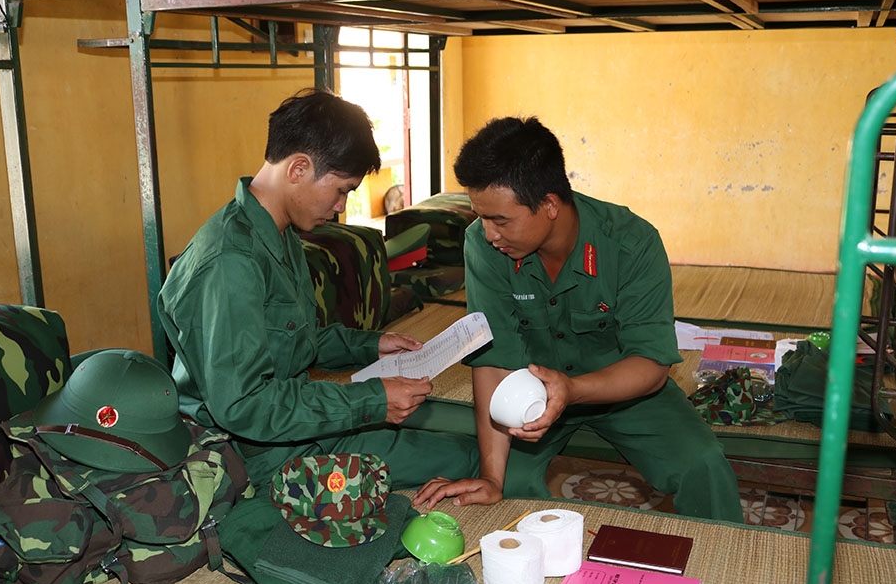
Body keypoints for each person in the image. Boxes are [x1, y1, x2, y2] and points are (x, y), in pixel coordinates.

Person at [413, 116, 744, 522]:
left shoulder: (631, 243)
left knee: (703, 465)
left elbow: (651, 366)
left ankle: (714, 569)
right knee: (508, 494)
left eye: (500, 220)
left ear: (550, 205)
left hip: (624, 390)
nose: (489, 233)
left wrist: (572, 389)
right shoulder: (485, 248)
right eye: (481, 216)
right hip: (531, 395)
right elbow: (494, 360)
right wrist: (492, 477)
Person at [158, 89, 478, 490]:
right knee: (461, 456)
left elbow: (292, 337)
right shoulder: (231, 262)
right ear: (298, 169)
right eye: (342, 188)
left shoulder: (278, 231)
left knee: (458, 435)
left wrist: (369, 346)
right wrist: (371, 401)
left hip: (287, 426)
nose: (342, 206)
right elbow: (245, 406)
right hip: (250, 453)